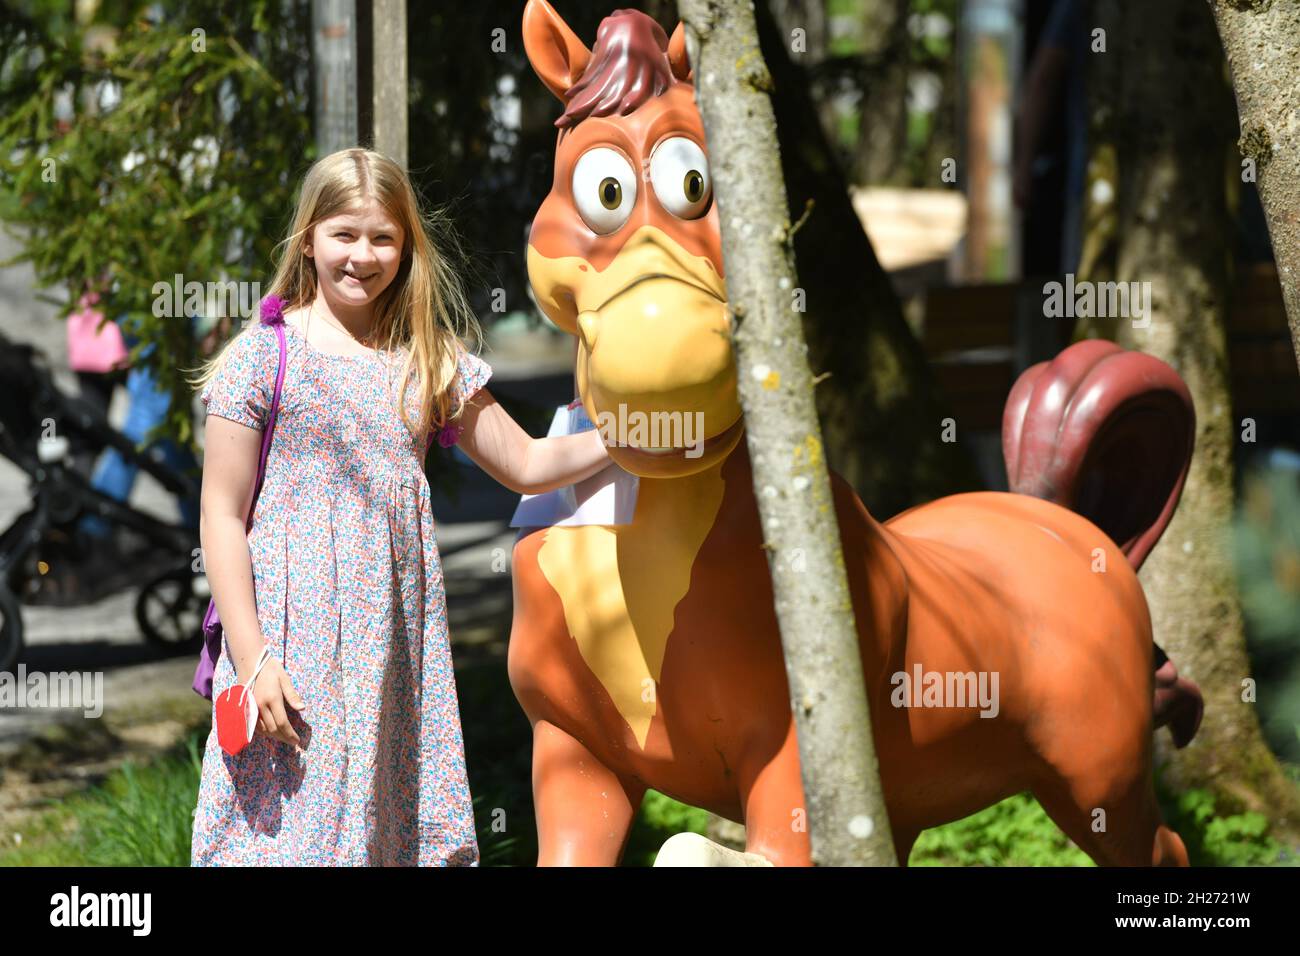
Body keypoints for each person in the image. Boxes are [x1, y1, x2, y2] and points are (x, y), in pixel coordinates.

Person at [187, 148, 612, 866]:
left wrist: (632, 440)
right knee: (282, 833)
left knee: (381, 828)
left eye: (383, 237)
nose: (363, 255)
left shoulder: (428, 358)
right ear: (309, 239)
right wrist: (253, 659)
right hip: (288, 642)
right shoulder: (263, 357)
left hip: (392, 639)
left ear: (407, 245)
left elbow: (529, 463)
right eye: (344, 235)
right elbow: (221, 518)